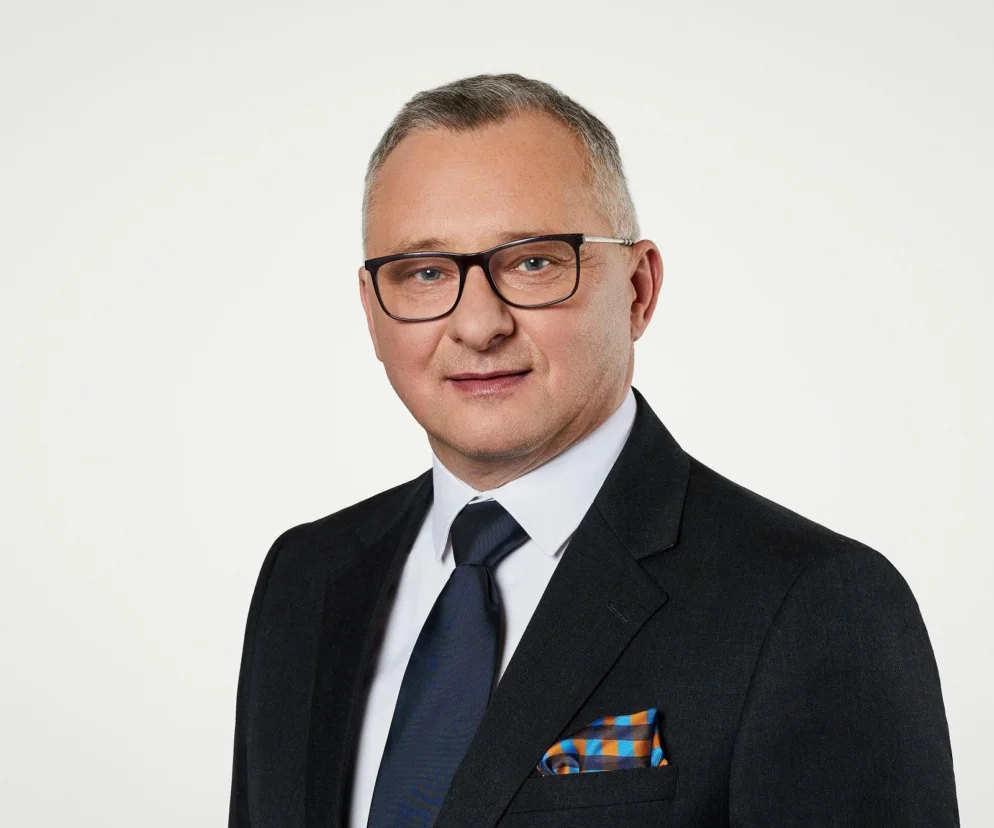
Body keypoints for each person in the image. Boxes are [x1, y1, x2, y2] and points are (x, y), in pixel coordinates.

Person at [227, 74, 959, 828]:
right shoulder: (304, 578)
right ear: (371, 310)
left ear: (638, 289)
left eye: (534, 263)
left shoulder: (812, 603)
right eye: (425, 273)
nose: (478, 325)